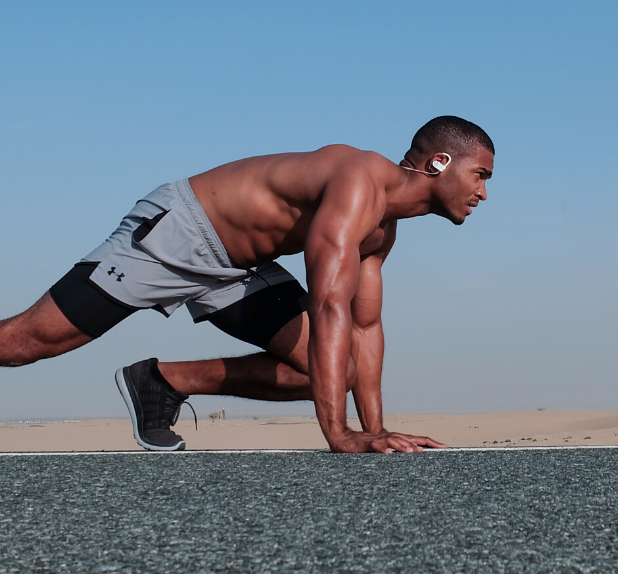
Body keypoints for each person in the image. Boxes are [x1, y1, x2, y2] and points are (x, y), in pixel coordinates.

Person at [0, 116, 494, 454]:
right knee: (25, 344)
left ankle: (161, 382)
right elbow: (328, 305)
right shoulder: (359, 180)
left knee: (331, 371)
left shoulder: (382, 230)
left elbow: (365, 328)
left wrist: (376, 432)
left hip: (238, 266)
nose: (483, 192)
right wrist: (338, 434)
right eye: (480, 174)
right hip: (182, 233)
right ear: (439, 164)